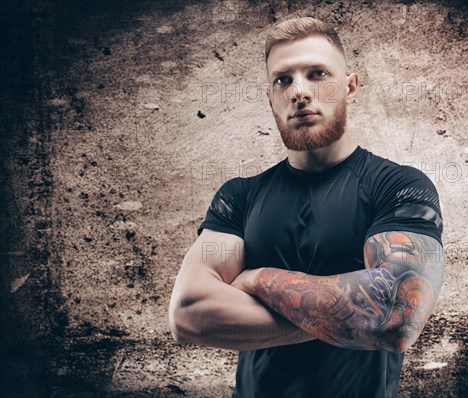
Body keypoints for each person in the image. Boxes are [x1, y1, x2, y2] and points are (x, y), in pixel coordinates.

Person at [169, 16, 444, 398]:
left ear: (350, 87)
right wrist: (348, 316)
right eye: (284, 80)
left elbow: (396, 316)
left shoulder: (398, 187)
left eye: (317, 74)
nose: (300, 91)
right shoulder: (239, 196)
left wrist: (256, 279)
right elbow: (188, 312)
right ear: (271, 99)